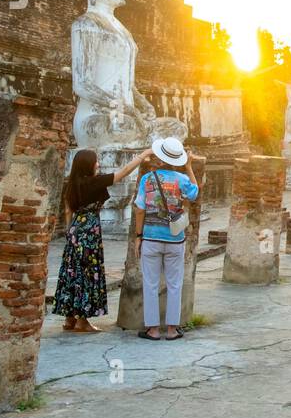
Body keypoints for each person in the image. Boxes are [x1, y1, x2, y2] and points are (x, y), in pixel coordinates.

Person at [54, 146, 153, 333]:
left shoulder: (72, 183)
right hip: (90, 230)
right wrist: (143, 155)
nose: (98, 164)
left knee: (72, 272)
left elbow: (68, 210)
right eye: (95, 161)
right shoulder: (94, 182)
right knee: (88, 273)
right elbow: (122, 173)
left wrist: (70, 231)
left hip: (75, 229)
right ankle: (82, 321)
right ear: (88, 165)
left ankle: (69, 319)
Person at [131, 136, 201, 341]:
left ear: (159, 159)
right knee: (174, 284)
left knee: (150, 284)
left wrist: (138, 236)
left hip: (151, 238)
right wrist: (189, 168)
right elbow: (194, 194)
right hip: (174, 238)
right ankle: (172, 329)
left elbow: (140, 209)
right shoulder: (182, 180)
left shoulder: (148, 179)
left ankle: (152, 329)